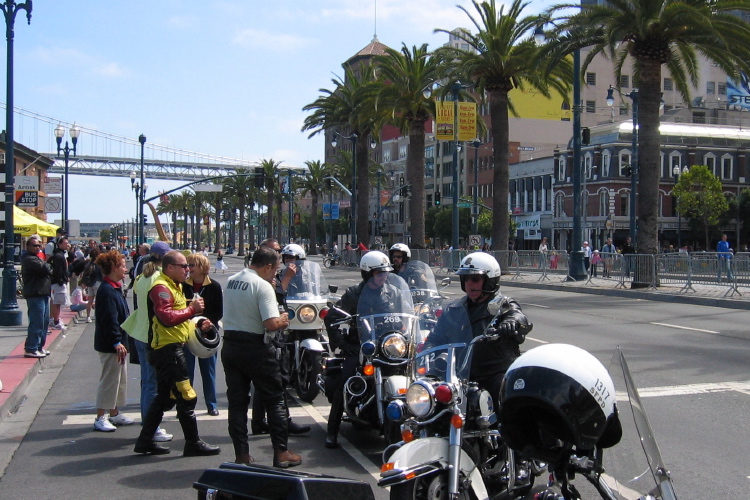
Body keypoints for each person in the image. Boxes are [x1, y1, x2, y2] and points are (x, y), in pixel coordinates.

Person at [134, 250, 220, 456]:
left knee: (165, 397)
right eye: (184, 267)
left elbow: (178, 315)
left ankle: (145, 440)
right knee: (187, 395)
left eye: (189, 267)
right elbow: (166, 317)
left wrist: (198, 321)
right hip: (167, 350)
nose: (187, 270)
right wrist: (193, 310)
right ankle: (193, 443)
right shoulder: (161, 287)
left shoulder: (175, 285)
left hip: (172, 346)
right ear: (170, 268)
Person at [222, 246, 302, 468]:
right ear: (267, 266)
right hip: (256, 347)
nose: (275, 274)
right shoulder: (262, 285)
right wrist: (283, 320)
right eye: (275, 269)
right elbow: (270, 323)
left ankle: (241, 456)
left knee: (237, 404)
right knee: (275, 398)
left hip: (230, 345)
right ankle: (281, 452)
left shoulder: (231, 280)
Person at [425, 252, 532, 409]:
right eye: (466, 279)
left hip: (493, 375)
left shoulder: (503, 304)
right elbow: (436, 338)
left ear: (489, 281)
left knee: (506, 398)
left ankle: (507, 432)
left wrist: (511, 322)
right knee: (426, 400)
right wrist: (426, 349)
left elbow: (520, 317)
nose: (469, 284)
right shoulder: (453, 309)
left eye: (475, 279)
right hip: (458, 377)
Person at [324, 251, 394, 449]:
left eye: (385, 272)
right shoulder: (353, 294)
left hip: (388, 346)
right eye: (378, 273)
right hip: (360, 347)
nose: (383, 276)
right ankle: (332, 430)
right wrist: (343, 345)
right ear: (367, 274)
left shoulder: (393, 292)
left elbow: (404, 313)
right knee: (345, 380)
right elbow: (331, 317)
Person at [250, 240, 311, 436]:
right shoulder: (269, 275)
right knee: (279, 379)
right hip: (271, 331)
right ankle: (283, 423)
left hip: (285, 323)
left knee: (265, 381)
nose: (283, 258)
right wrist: (286, 278)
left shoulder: (301, 274)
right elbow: (275, 295)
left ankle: (259, 422)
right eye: (279, 253)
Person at [120, 242, 174, 443]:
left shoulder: (142, 277)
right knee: (154, 384)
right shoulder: (160, 280)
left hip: (140, 333)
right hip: (153, 336)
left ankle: (148, 422)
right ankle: (152, 426)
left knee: (147, 382)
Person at [93, 250, 135, 432]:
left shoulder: (114, 287)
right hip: (111, 345)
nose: (125, 269)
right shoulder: (107, 290)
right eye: (123, 265)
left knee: (119, 380)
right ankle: (100, 416)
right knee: (110, 381)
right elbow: (109, 319)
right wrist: (116, 341)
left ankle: (114, 413)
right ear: (114, 267)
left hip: (118, 343)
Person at [182, 252, 222, 416]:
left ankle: (211, 405)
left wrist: (207, 323)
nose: (188, 269)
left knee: (209, 371)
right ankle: (187, 405)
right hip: (187, 333)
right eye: (188, 265)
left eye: (192, 265)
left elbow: (218, 312)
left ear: (202, 268)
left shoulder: (214, 286)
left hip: (207, 334)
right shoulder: (183, 285)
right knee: (186, 372)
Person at [21, 237, 52, 358]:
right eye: (35, 246)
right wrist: (48, 266)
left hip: (43, 293)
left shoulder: (37, 258)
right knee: (37, 322)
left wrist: (47, 267)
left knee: (44, 322)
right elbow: (45, 269)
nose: (37, 248)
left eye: (39, 245)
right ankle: (31, 348)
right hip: (35, 294)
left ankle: (39, 346)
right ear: (28, 246)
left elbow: (48, 269)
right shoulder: (29, 259)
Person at [49, 236, 71, 331]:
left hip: (59, 281)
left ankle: (56, 319)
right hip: (58, 283)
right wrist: (61, 281)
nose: (67, 245)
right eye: (65, 243)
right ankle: (56, 321)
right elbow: (58, 270)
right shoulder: (58, 256)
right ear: (60, 244)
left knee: (58, 302)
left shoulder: (61, 254)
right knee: (57, 302)